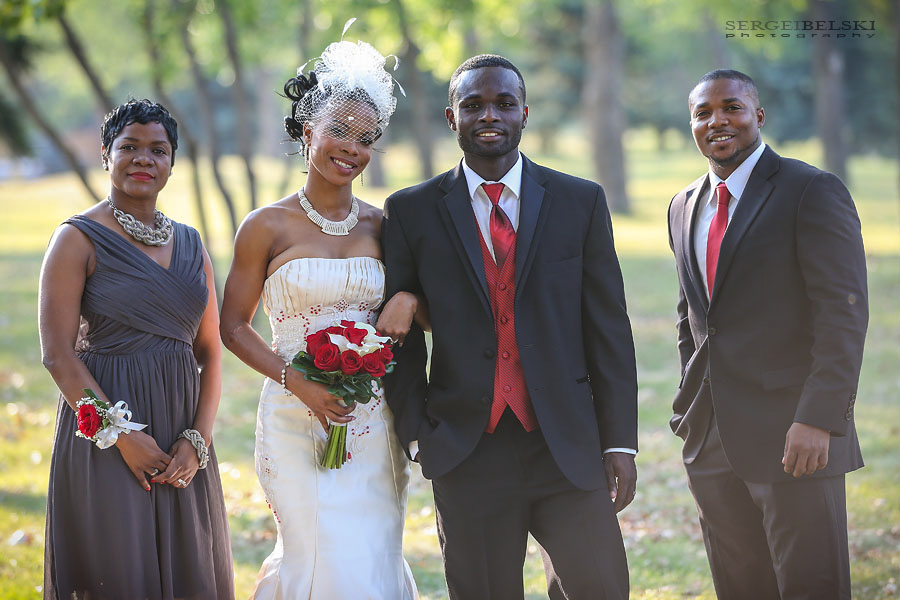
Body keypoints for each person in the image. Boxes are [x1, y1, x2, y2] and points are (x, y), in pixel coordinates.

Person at [382, 54, 638, 599]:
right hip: (466, 448)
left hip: (565, 444)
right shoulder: (411, 210)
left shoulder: (580, 201)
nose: (489, 115)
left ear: (526, 112)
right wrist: (417, 434)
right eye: (472, 105)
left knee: (601, 588)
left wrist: (619, 441)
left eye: (503, 103)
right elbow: (398, 342)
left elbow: (608, 328)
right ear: (452, 118)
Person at [219, 37, 420, 599]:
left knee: (371, 545)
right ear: (307, 130)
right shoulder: (265, 226)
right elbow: (233, 326)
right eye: (339, 130)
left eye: (366, 138)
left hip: (370, 416)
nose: (351, 148)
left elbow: (424, 310)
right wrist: (297, 382)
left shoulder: (386, 225)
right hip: (290, 412)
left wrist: (407, 302)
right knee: (315, 547)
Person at [667, 69, 868, 599]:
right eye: (703, 113)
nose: (717, 121)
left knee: (811, 586)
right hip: (711, 440)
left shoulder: (811, 191)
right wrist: (690, 412)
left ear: (758, 115)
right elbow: (691, 315)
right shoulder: (683, 205)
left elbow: (843, 315)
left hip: (795, 437)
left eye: (731, 107)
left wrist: (818, 419)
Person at [39, 99, 233, 599]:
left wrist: (198, 440)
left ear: (172, 162)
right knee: (119, 572)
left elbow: (210, 351)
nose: (144, 159)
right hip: (105, 435)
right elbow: (58, 355)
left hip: (180, 442)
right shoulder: (76, 239)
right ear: (106, 154)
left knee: (187, 571)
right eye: (129, 147)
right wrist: (121, 436)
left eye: (158, 150)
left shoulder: (192, 245)